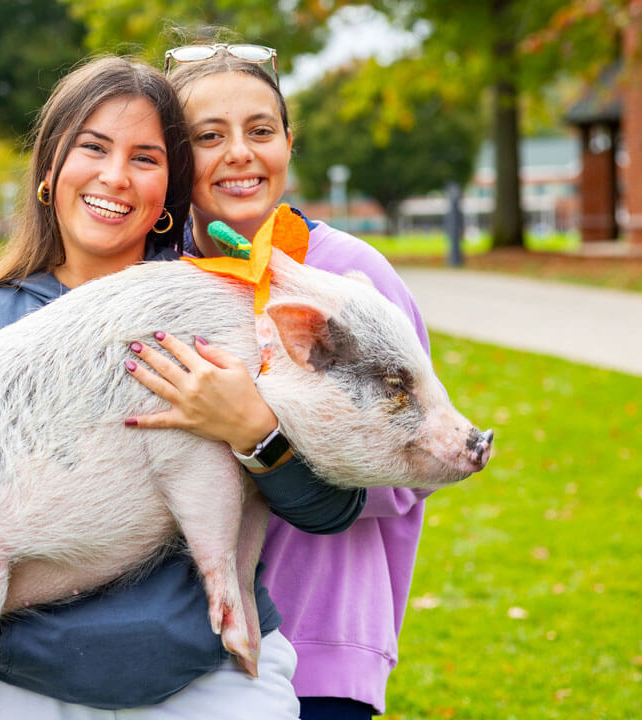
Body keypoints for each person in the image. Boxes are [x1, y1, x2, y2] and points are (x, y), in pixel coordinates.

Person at [0, 56, 367, 718]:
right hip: (22, 693)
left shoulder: (227, 311)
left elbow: (331, 509)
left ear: (172, 187)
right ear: (50, 169)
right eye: (93, 148)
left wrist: (256, 431)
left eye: (145, 157)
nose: (115, 176)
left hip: (211, 684)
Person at [124, 44, 435, 719]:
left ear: (289, 143)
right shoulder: (153, 280)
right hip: (180, 656)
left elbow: (409, 469)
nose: (239, 152)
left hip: (317, 642)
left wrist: (260, 436)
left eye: (260, 131)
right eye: (209, 137)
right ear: (176, 157)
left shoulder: (349, 279)